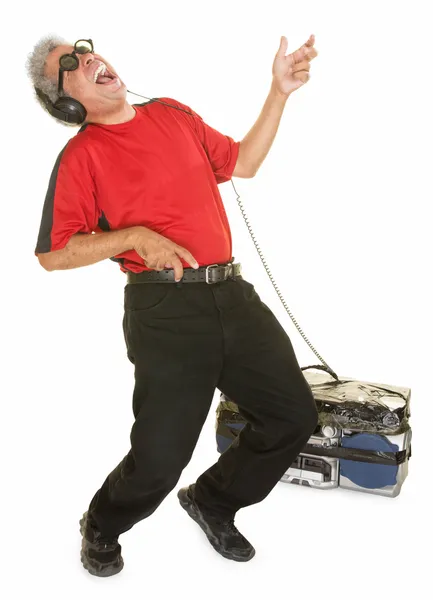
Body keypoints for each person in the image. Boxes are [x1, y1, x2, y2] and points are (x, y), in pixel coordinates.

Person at [26, 33, 319, 577]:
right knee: (160, 457)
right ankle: (103, 523)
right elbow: (53, 254)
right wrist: (132, 236)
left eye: (85, 48)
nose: (88, 57)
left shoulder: (172, 113)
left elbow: (243, 163)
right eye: (69, 64)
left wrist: (278, 92)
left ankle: (213, 500)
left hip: (232, 295)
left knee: (292, 416)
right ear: (64, 102)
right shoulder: (81, 156)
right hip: (164, 311)